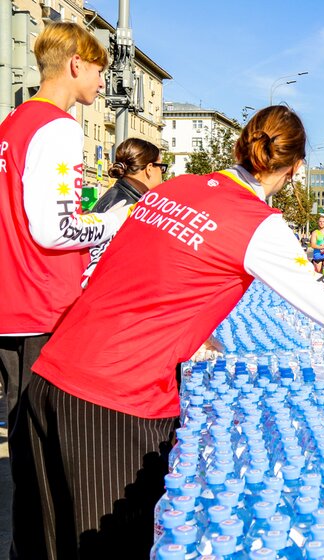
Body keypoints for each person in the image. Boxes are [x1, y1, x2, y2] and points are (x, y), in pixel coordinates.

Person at [21, 105, 324, 558]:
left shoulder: (174, 187)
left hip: (47, 377)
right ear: (294, 169)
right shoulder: (257, 222)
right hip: (114, 402)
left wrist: (190, 333)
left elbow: (138, 271)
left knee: (41, 544)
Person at [0, 22, 131, 559]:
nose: (104, 80)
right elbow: (55, 228)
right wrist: (112, 223)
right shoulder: (56, 128)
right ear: (76, 64)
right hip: (42, 303)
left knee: (25, 437)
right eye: (100, 69)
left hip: (15, 299)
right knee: (41, 451)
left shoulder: (14, 124)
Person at [82, 137, 166, 285]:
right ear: (150, 168)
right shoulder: (130, 207)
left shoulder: (114, 194)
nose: (163, 174)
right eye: (162, 167)